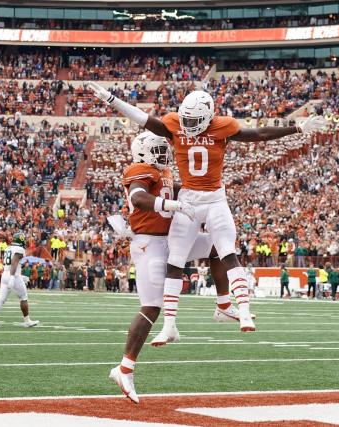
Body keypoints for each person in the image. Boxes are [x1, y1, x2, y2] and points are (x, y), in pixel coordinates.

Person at [89, 82, 326, 339]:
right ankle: (171, 324)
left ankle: (238, 308)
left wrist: (297, 127)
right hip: (189, 198)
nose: (189, 126)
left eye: (195, 121)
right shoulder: (175, 125)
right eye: (186, 120)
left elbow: (256, 134)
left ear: (209, 116)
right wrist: (112, 99)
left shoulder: (222, 126)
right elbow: (144, 119)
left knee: (225, 249)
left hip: (213, 198)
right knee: (176, 260)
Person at [107, 131, 243, 404]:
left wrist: (205, 194)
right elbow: (138, 198)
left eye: (162, 148)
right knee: (151, 308)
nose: (162, 153)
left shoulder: (164, 171)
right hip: (149, 244)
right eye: (156, 148)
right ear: (142, 152)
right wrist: (172, 204)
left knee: (219, 245)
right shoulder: (139, 169)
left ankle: (223, 305)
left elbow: (176, 190)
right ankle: (124, 368)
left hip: (170, 241)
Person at [0, 232, 39, 328]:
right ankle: (27, 321)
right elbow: (14, 263)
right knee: (23, 297)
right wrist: (13, 277)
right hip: (12, 275)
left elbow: (11, 264)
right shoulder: (19, 249)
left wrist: (20, 276)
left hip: (5, 274)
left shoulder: (8, 248)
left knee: (1, 298)